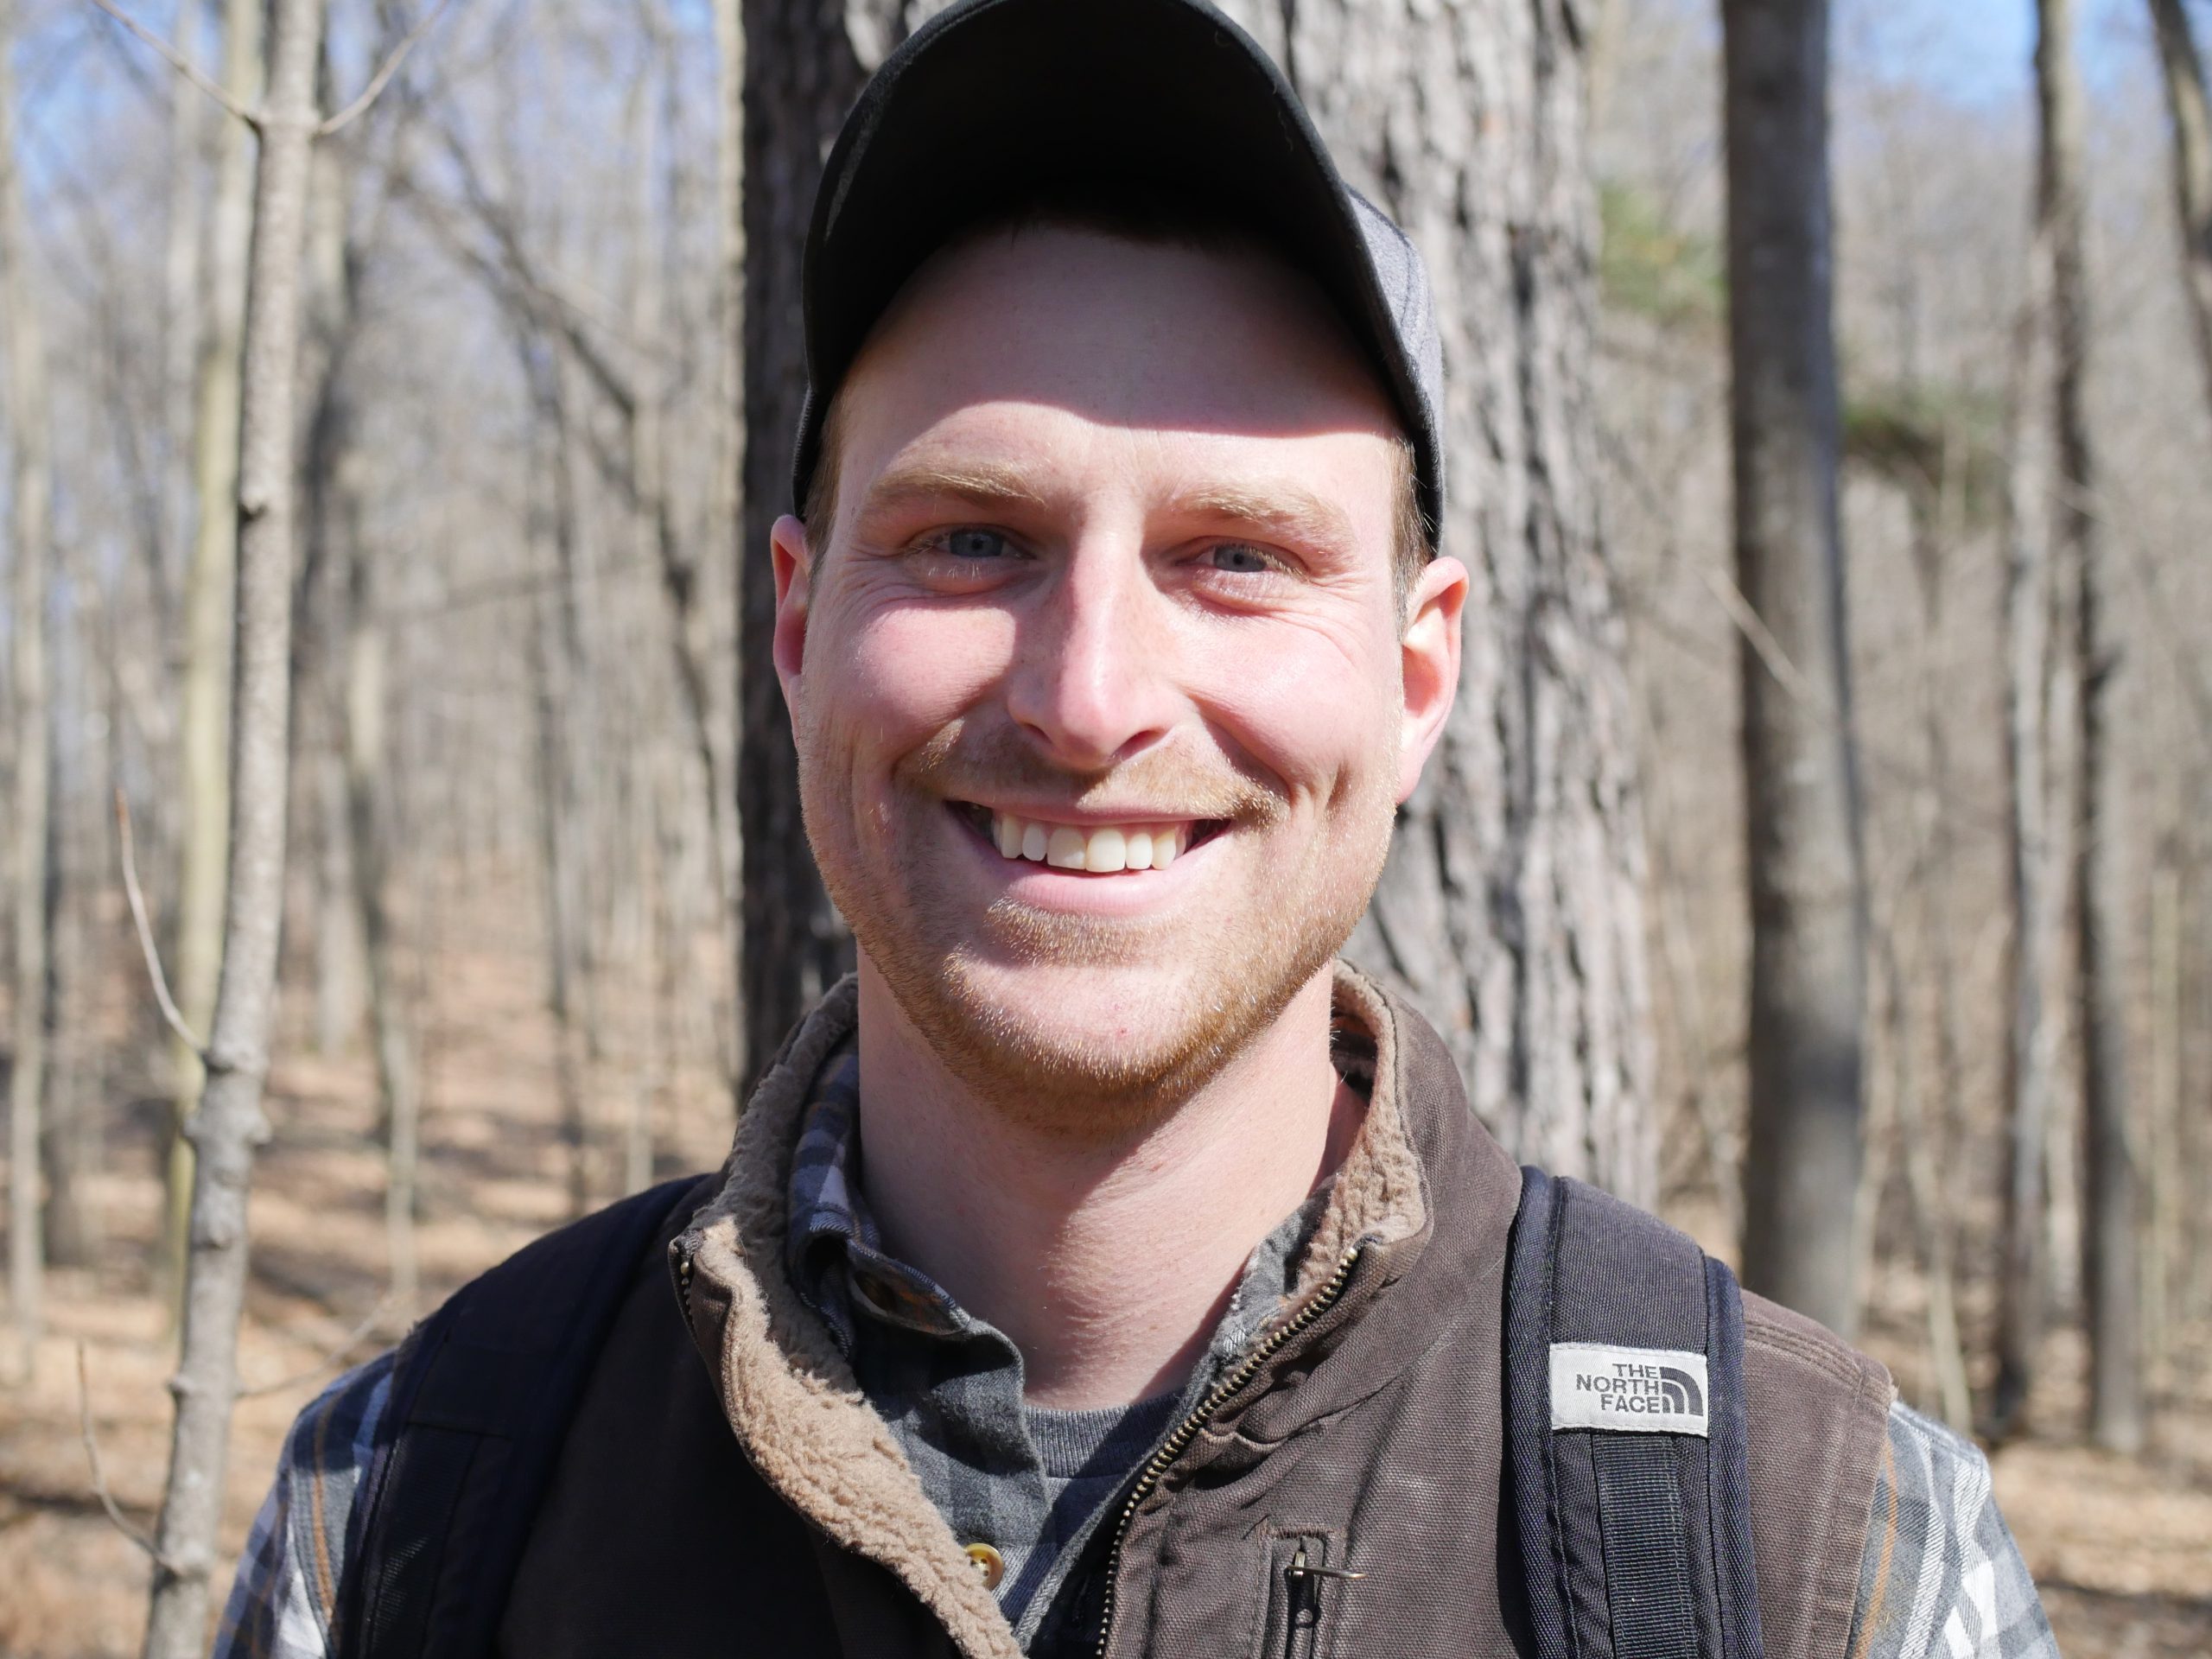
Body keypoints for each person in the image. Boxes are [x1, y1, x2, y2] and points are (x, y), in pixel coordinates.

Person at [219, 2, 2056, 1656]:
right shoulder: (406, 1515)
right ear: (796, 627)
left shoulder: (1826, 1561)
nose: (1089, 698)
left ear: (1417, 677)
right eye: (969, 538)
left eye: (1236, 558)